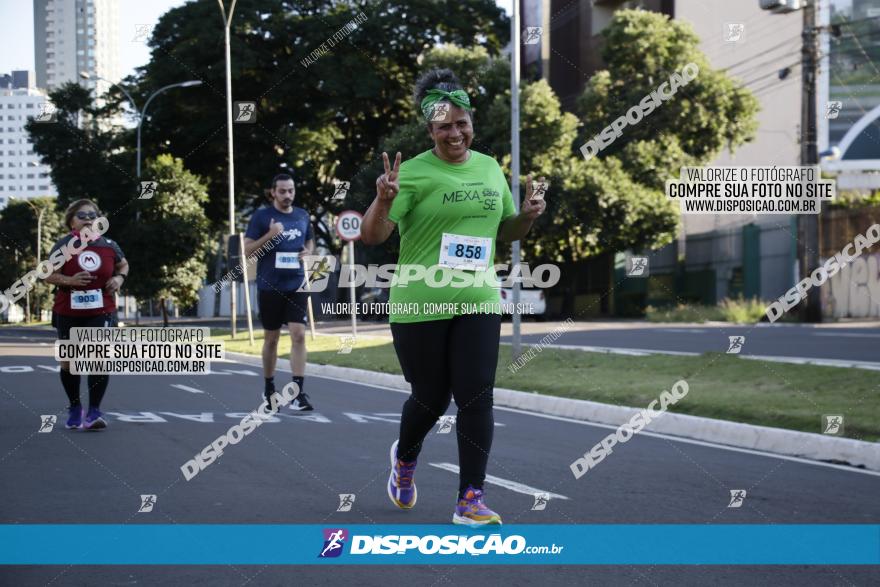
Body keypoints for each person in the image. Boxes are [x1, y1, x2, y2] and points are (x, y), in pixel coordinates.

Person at [361, 69, 547, 526]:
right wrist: (384, 200)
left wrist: (527, 215)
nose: (455, 132)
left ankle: (470, 499)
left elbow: (507, 231)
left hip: (479, 297)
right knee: (430, 399)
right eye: (444, 125)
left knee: (477, 395)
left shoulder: (489, 168)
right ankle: (405, 459)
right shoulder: (413, 173)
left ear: (471, 123)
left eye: (461, 123)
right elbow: (372, 235)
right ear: (430, 130)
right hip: (420, 301)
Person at [45, 199, 128, 430]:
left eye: (93, 215)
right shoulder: (63, 245)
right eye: (82, 215)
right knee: (69, 364)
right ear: (71, 220)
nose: (89, 219)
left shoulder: (109, 244)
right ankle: (74, 407)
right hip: (68, 311)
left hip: (102, 310)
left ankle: (94, 412)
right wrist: (69, 280)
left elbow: (124, 265)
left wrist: (119, 278)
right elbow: (47, 274)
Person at [244, 172, 315, 410]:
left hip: (297, 284)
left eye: (291, 191)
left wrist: (307, 251)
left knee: (299, 335)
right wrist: (271, 235)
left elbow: (309, 241)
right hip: (269, 286)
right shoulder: (262, 216)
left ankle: (297, 392)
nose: (287, 195)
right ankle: (269, 388)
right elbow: (247, 251)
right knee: (272, 339)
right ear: (273, 192)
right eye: (282, 191)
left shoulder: (303, 215)